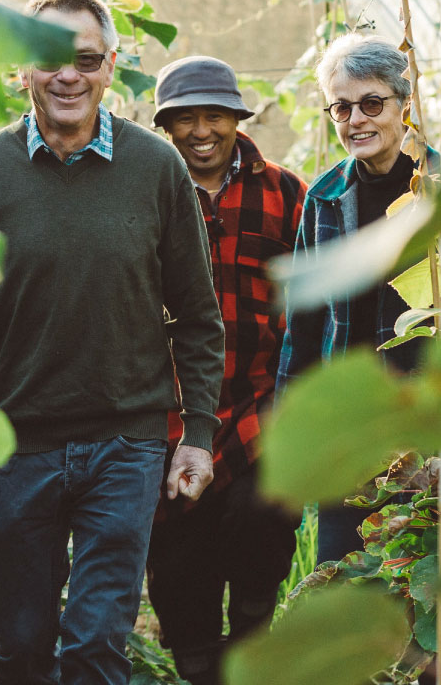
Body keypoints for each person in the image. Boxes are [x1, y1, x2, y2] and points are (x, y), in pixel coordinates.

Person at [0, 0, 225, 685]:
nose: (68, 76)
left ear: (111, 65)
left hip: (127, 444)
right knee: (19, 644)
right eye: (49, 58)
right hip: (15, 444)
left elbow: (198, 317)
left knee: (94, 645)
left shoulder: (155, 169)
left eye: (86, 59)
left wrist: (197, 434)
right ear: (20, 68)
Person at [276, 34, 441, 565]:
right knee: (347, 574)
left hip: (439, 427)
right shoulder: (324, 199)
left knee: (431, 586)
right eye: (341, 107)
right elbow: (304, 327)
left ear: (404, 106)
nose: (356, 120)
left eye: (373, 103)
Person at [147, 56, 307, 685]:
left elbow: (309, 302)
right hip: (170, 410)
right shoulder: (148, 192)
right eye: (183, 120)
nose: (200, 131)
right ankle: (196, 667)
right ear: (166, 127)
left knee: (261, 532)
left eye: (214, 115)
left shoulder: (286, 193)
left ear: (238, 119)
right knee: (179, 562)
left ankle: (249, 658)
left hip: (260, 403)